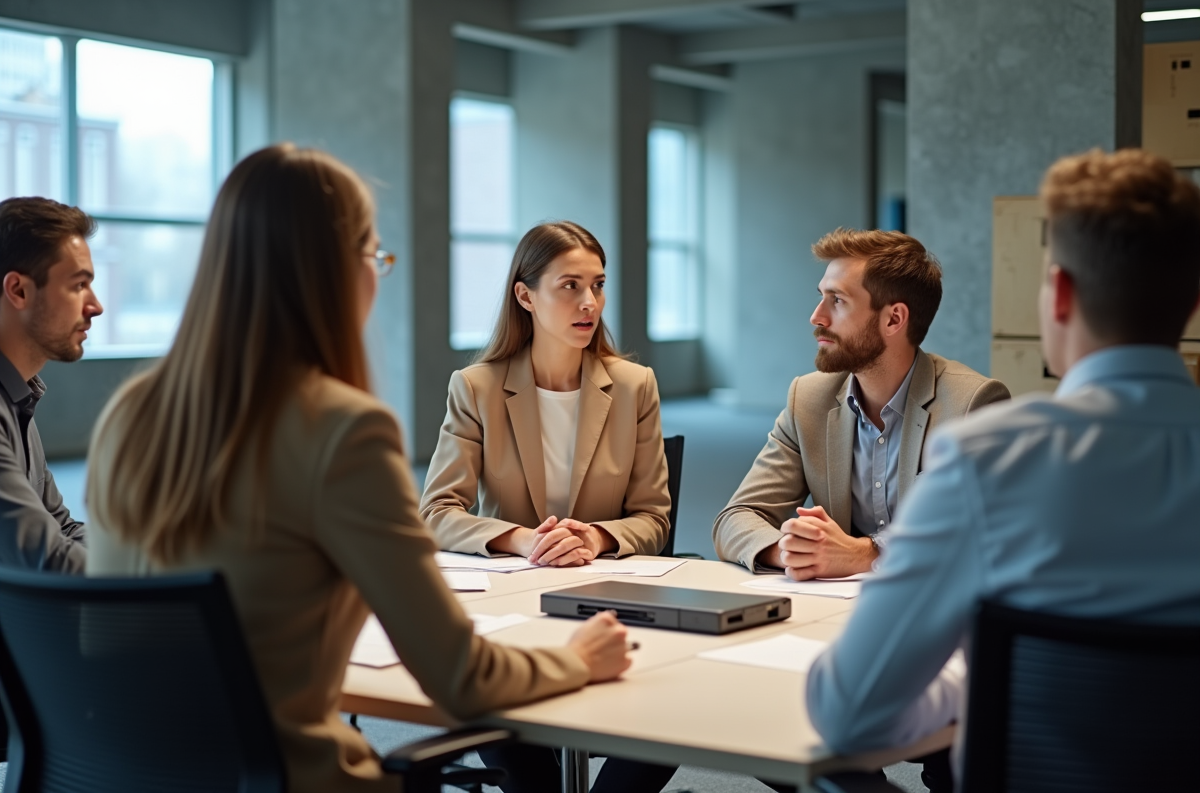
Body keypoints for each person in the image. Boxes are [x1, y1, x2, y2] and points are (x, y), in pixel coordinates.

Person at [85, 145, 632, 793]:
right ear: (330, 272)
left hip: (124, 775)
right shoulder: (343, 429)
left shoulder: (127, 412)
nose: (378, 275)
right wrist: (573, 661)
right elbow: (461, 678)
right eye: (374, 256)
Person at [805, 148, 1200, 783]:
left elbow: (847, 710)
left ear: (1061, 294)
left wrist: (980, 686)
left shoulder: (990, 459)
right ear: (1191, 302)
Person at [712, 228, 1008, 793]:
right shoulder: (810, 397)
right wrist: (787, 544)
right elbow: (736, 518)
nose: (815, 315)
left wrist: (866, 553)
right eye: (821, 296)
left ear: (894, 319)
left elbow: (985, 542)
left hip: (936, 634)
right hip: (827, 628)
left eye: (837, 301)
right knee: (755, 718)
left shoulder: (971, 404)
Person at [420, 221, 676, 793]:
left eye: (598, 285)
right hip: (513, 601)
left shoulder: (634, 385)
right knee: (495, 722)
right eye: (569, 286)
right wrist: (522, 539)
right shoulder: (477, 387)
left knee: (674, 711)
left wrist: (596, 538)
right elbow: (437, 510)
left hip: (607, 600)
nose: (590, 303)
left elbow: (654, 518)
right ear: (525, 295)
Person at [0, 197, 103, 572]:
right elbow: (47, 559)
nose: (95, 306)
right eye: (79, 286)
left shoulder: (19, 394)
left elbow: (62, 526)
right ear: (19, 291)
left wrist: (133, 556)